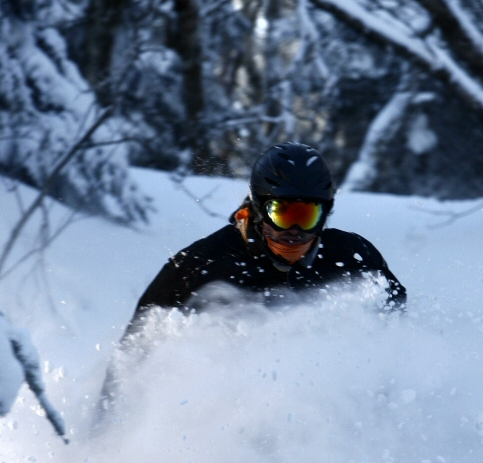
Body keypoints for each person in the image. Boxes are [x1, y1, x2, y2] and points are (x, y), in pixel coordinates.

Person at [125, 141, 406, 335]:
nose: (295, 231)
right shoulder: (201, 266)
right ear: (258, 210)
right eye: (282, 214)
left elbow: (393, 338)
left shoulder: (352, 259)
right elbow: (133, 354)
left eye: (307, 215)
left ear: (325, 214)